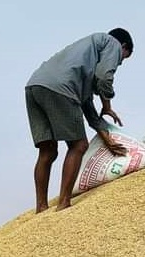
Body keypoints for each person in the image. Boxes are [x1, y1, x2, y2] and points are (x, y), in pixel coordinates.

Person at [25, 29, 134, 213]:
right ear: (123, 46)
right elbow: (104, 78)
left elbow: (86, 104)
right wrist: (107, 104)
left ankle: (41, 208)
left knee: (47, 151)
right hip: (60, 88)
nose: (120, 62)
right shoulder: (112, 42)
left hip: (35, 86)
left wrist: (104, 135)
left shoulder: (84, 56)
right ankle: (64, 203)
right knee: (79, 145)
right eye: (124, 57)